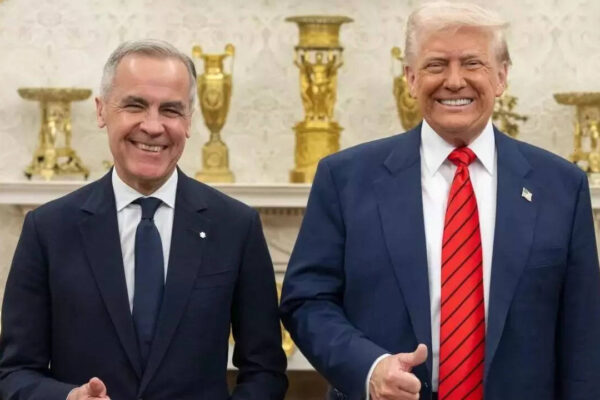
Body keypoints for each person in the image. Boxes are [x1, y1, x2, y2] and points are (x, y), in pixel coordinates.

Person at [280, 2, 600, 400]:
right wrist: (370, 369)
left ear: (501, 76)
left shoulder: (561, 186)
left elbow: (584, 336)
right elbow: (306, 300)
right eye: (436, 65)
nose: (454, 81)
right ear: (411, 78)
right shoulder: (345, 179)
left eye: (472, 63)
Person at [0, 39, 287, 400]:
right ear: (102, 111)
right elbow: (14, 373)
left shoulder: (236, 227)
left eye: (171, 110)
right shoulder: (48, 230)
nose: (153, 126)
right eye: (135, 105)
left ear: (188, 121)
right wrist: (68, 398)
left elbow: (265, 371)